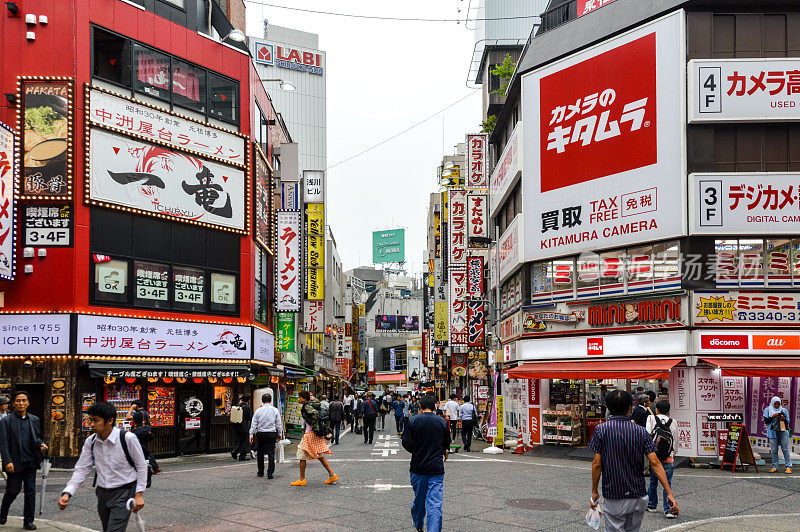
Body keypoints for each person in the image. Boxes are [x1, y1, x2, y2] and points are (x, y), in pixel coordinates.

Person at [590, 390, 678, 532]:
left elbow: (597, 464)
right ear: (630, 408)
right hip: (638, 494)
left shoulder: (601, 430)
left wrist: (594, 491)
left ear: (609, 408)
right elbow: (655, 463)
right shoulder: (641, 432)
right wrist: (669, 493)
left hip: (614, 493)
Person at [59, 402, 147, 532]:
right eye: (90, 420)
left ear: (110, 420)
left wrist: (139, 494)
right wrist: (68, 492)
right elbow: (82, 468)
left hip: (124, 492)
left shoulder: (127, 438)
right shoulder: (91, 441)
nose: (92, 424)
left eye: (96, 420)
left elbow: (141, 466)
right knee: (107, 528)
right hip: (102, 494)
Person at [401, 396, 450, 532]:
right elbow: (446, 443)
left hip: (418, 467)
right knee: (435, 503)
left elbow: (405, 442)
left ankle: (418, 523)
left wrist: (415, 450)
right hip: (436, 467)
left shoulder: (413, 421)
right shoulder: (441, 422)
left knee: (419, 498)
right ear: (435, 407)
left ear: (420, 406)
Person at [0, 392, 47, 530]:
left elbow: (35, 437)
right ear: (13, 403)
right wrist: (7, 461)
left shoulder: (34, 420)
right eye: (18, 401)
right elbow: (3, 444)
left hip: (30, 461)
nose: (21, 403)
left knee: (30, 491)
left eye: (24, 400)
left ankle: (28, 521)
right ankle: (3, 511)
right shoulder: (6, 421)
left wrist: (41, 444)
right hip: (14, 463)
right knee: (13, 490)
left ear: (28, 402)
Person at [292, 391, 337, 486]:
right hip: (313, 434)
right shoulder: (314, 403)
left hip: (309, 434)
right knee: (319, 455)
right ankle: (332, 475)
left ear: (304, 398)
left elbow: (315, 415)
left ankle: (302, 479)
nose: (298, 399)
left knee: (301, 455)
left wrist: (313, 426)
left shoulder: (306, 407)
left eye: (300, 397)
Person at [645, 400, 679, 517]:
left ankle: (652, 505)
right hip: (668, 457)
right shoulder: (673, 421)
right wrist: (673, 453)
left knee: (653, 481)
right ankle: (668, 509)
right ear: (668, 411)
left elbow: (648, 435)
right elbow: (675, 439)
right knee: (667, 484)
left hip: (655, 457)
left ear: (656, 409)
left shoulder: (651, 418)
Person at [249, 392, 283, 479]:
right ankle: (270, 473)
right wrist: (280, 433)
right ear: (271, 400)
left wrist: (251, 434)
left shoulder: (258, 411)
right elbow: (279, 424)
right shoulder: (275, 410)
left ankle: (260, 472)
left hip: (261, 433)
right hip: (271, 433)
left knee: (260, 453)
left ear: (262, 401)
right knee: (271, 453)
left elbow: (254, 424)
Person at [764, 396, 792, 474]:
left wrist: (783, 418)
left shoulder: (784, 410)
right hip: (772, 432)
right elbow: (766, 421)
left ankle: (788, 466)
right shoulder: (768, 410)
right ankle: (775, 467)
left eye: (778, 404)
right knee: (774, 450)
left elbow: (787, 422)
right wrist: (773, 416)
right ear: (772, 403)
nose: (777, 405)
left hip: (783, 431)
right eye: (775, 404)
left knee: (785, 449)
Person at [231, 394, 252, 462]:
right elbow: (249, 417)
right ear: (248, 400)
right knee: (244, 441)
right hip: (244, 426)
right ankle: (242, 456)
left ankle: (235, 451)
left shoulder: (238, 405)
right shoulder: (247, 407)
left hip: (237, 425)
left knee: (239, 440)